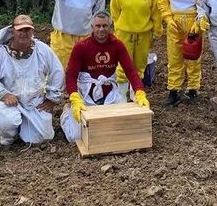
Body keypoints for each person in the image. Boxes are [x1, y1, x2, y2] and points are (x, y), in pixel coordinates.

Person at [61, 11, 150, 142]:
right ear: (92, 27)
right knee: (75, 136)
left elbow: (130, 71)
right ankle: (66, 114)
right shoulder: (81, 47)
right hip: (87, 92)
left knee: (122, 129)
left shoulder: (117, 45)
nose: (101, 29)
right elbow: (71, 75)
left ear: (110, 26)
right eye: (98, 26)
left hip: (109, 92)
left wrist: (139, 92)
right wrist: (74, 97)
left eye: (104, 26)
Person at [0, 15, 64, 146]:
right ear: (12, 31)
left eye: (27, 30)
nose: (24, 33)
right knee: (4, 120)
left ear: (32, 31)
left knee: (43, 138)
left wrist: (51, 100)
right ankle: (10, 135)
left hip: (35, 103)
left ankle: (25, 129)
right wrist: (3, 94)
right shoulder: (0, 53)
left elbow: (57, 72)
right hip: (10, 103)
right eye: (20, 30)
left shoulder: (42, 50)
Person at [110, 0, 163, 101]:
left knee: (139, 65)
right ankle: (121, 97)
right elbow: (115, 12)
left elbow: (156, 13)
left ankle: (136, 94)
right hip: (124, 34)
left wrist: (157, 31)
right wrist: (119, 28)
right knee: (122, 64)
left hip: (144, 34)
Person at [158, 0, 206, 106]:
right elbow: (162, 1)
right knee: (174, 57)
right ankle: (173, 90)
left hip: (194, 23)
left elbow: (205, 5)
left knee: (193, 56)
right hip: (174, 23)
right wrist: (168, 18)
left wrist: (198, 22)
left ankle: (193, 89)